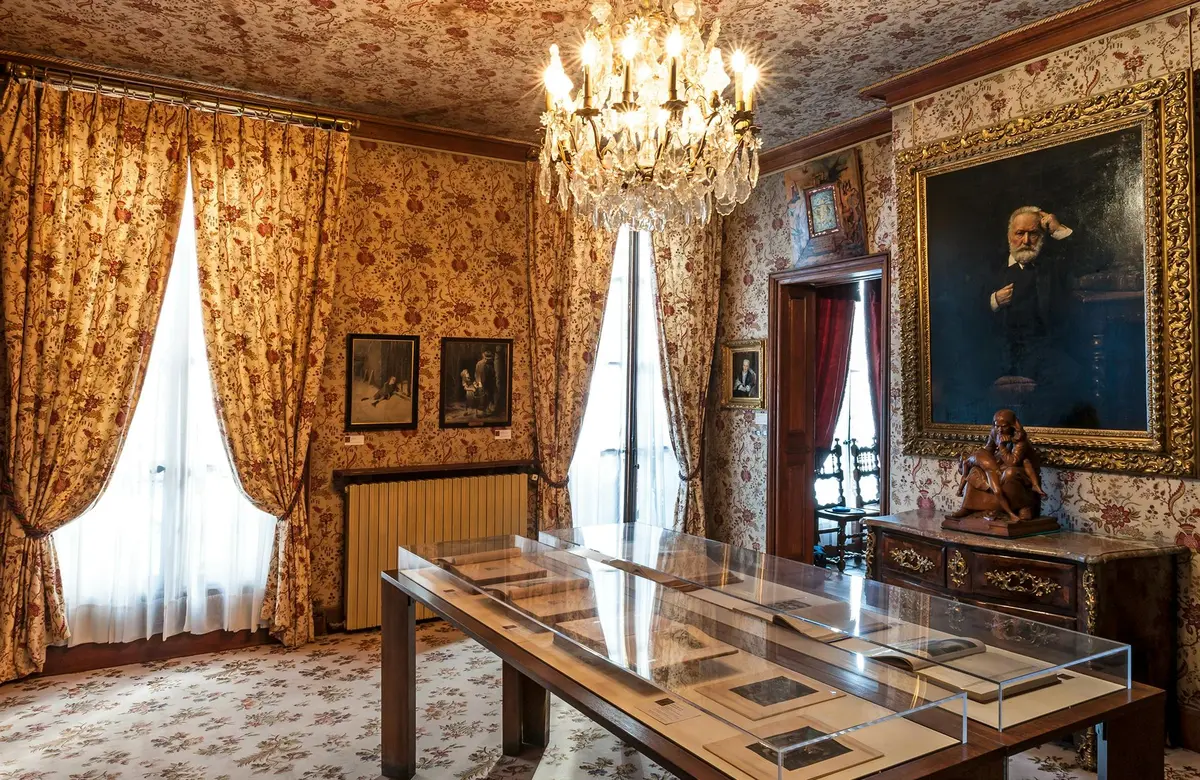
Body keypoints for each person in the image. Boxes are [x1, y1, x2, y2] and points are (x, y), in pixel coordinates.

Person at [475, 347, 498, 416]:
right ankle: (481, 412)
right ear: (483, 356)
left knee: (489, 396)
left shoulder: (491, 364)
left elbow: (493, 374)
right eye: (486, 358)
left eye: (489, 359)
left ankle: (487, 409)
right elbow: (477, 374)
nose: (487, 360)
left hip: (489, 383)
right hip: (482, 383)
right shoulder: (479, 364)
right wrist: (479, 383)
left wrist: (494, 382)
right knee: (482, 397)